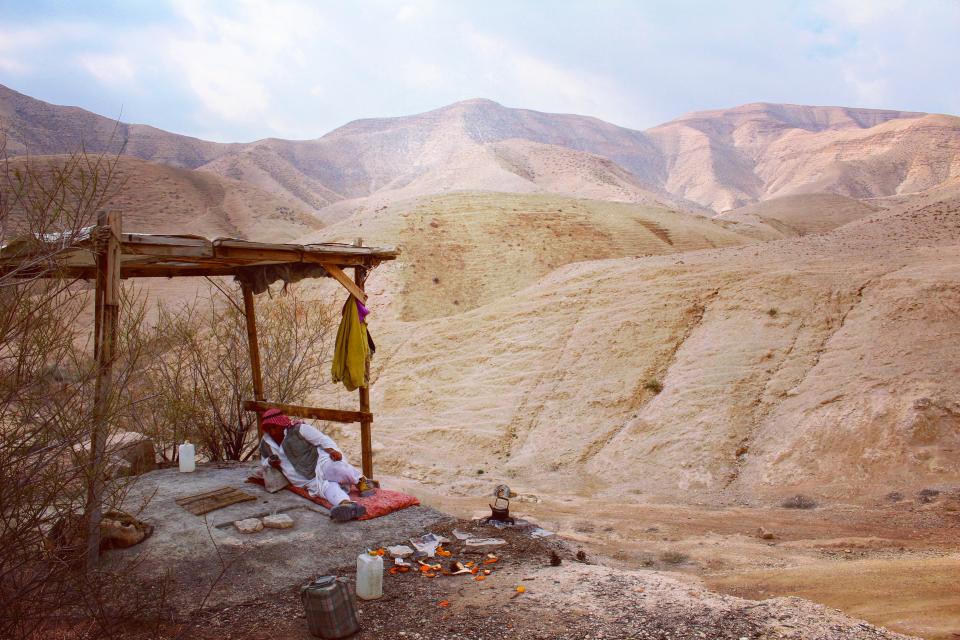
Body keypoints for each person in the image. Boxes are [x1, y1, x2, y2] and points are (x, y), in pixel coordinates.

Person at [258, 408, 374, 522]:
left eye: (274, 427)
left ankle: (360, 481)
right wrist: (269, 462)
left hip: (318, 463)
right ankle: (347, 505)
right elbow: (263, 462)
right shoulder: (265, 443)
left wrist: (332, 450)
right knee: (326, 488)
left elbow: (322, 440)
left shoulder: (300, 429)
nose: (272, 432)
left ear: (282, 424)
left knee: (336, 469)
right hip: (302, 480)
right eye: (268, 429)